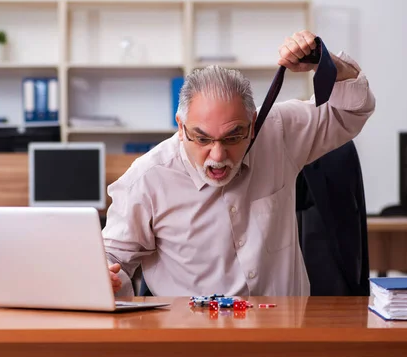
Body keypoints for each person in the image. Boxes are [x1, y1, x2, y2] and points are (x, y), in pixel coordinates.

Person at [103, 30, 376, 297]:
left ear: (253, 125)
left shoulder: (278, 131)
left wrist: (324, 61)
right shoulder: (147, 178)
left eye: (234, 137)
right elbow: (113, 257)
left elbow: (353, 109)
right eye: (202, 139)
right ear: (181, 126)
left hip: (283, 333)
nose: (218, 155)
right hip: (191, 336)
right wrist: (107, 274)